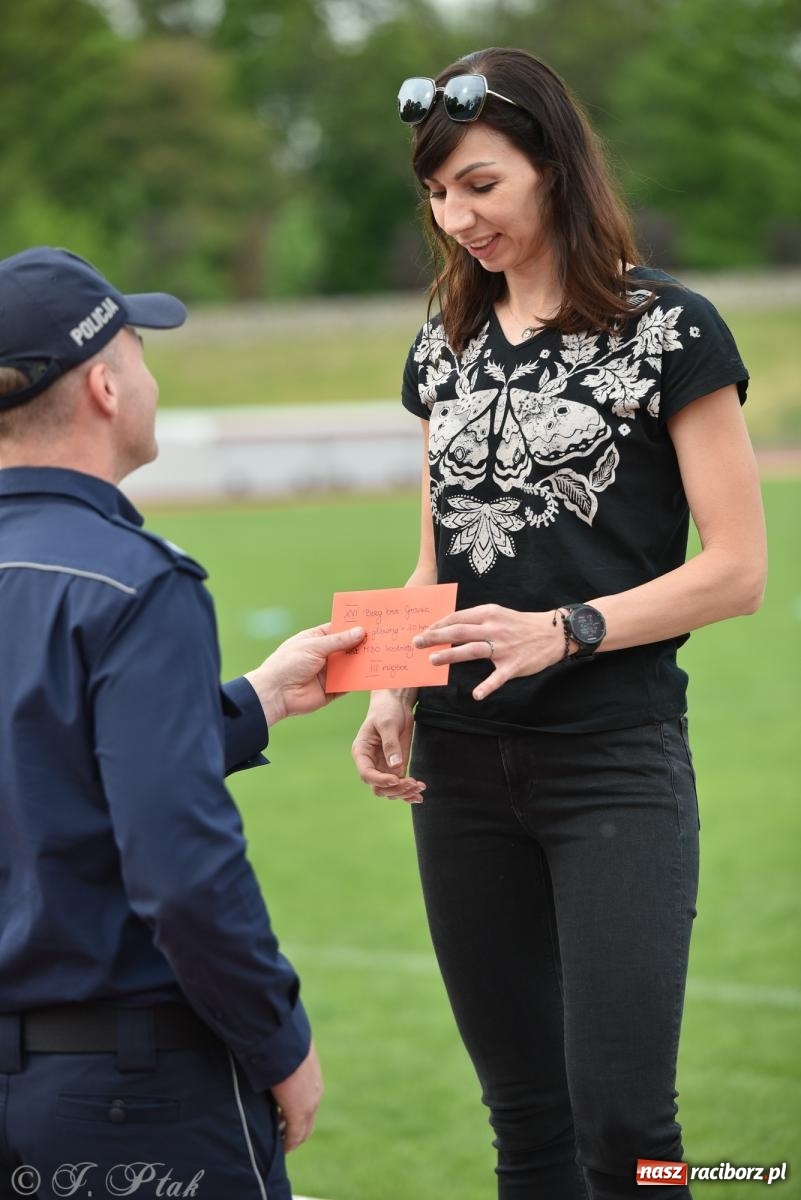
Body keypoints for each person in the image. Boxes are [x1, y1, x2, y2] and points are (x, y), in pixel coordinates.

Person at [352, 47, 767, 1200]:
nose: (456, 216)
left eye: (480, 184)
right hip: (464, 769)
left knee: (629, 1126)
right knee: (526, 1123)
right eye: (437, 193)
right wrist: (393, 682)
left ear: (552, 165)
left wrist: (566, 628)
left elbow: (737, 571)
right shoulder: (444, 341)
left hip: (613, 763)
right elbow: (440, 545)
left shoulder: (668, 328)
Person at [0, 246, 364, 1199]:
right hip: (129, 1089)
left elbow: (39, 753)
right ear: (106, 386)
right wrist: (277, 1041)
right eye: (142, 352)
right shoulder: (132, 582)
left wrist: (257, 700)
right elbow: (181, 870)